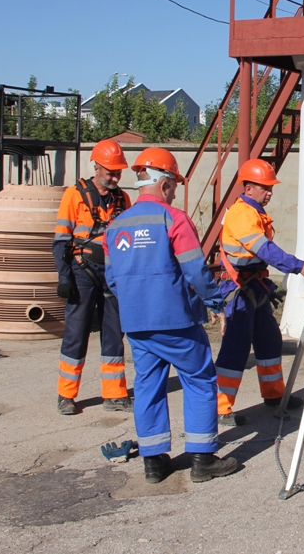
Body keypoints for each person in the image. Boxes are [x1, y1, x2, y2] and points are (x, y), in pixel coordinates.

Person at [104, 147, 238, 484]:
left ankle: (154, 463)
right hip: (175, 320)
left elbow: (111, 279)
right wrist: (215, 303)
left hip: (135, 321)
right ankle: (203, 459)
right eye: (175, 185)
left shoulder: (116, 225)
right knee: (199, 381)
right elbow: (194, 268)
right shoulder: (173, 219)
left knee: (148, 386)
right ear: (164, 185)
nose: (175, 191)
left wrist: (136, 303)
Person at [214, 159, 304, 426]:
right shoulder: (242, 213)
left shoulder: (254, 212)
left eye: (270, 187)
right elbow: (264, 249)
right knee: (235, 350)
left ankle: (273, 395)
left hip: (255, 287)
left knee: (269, 342)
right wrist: (299, 266)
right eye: (265, 187)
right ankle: (219, 408)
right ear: (248, 188)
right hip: (239, 289)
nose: (270, 192)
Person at [53, 139, 132, 415]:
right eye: (110, 172)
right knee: (76, 331)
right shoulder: (74, 195)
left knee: (114, 332)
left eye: (118, 172)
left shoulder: (123, 199)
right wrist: (64, 277)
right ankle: (66, 395)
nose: (115, 177)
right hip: (82, 271)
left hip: (113, 273)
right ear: (96, 166)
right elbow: (61, 240)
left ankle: (114, 394)